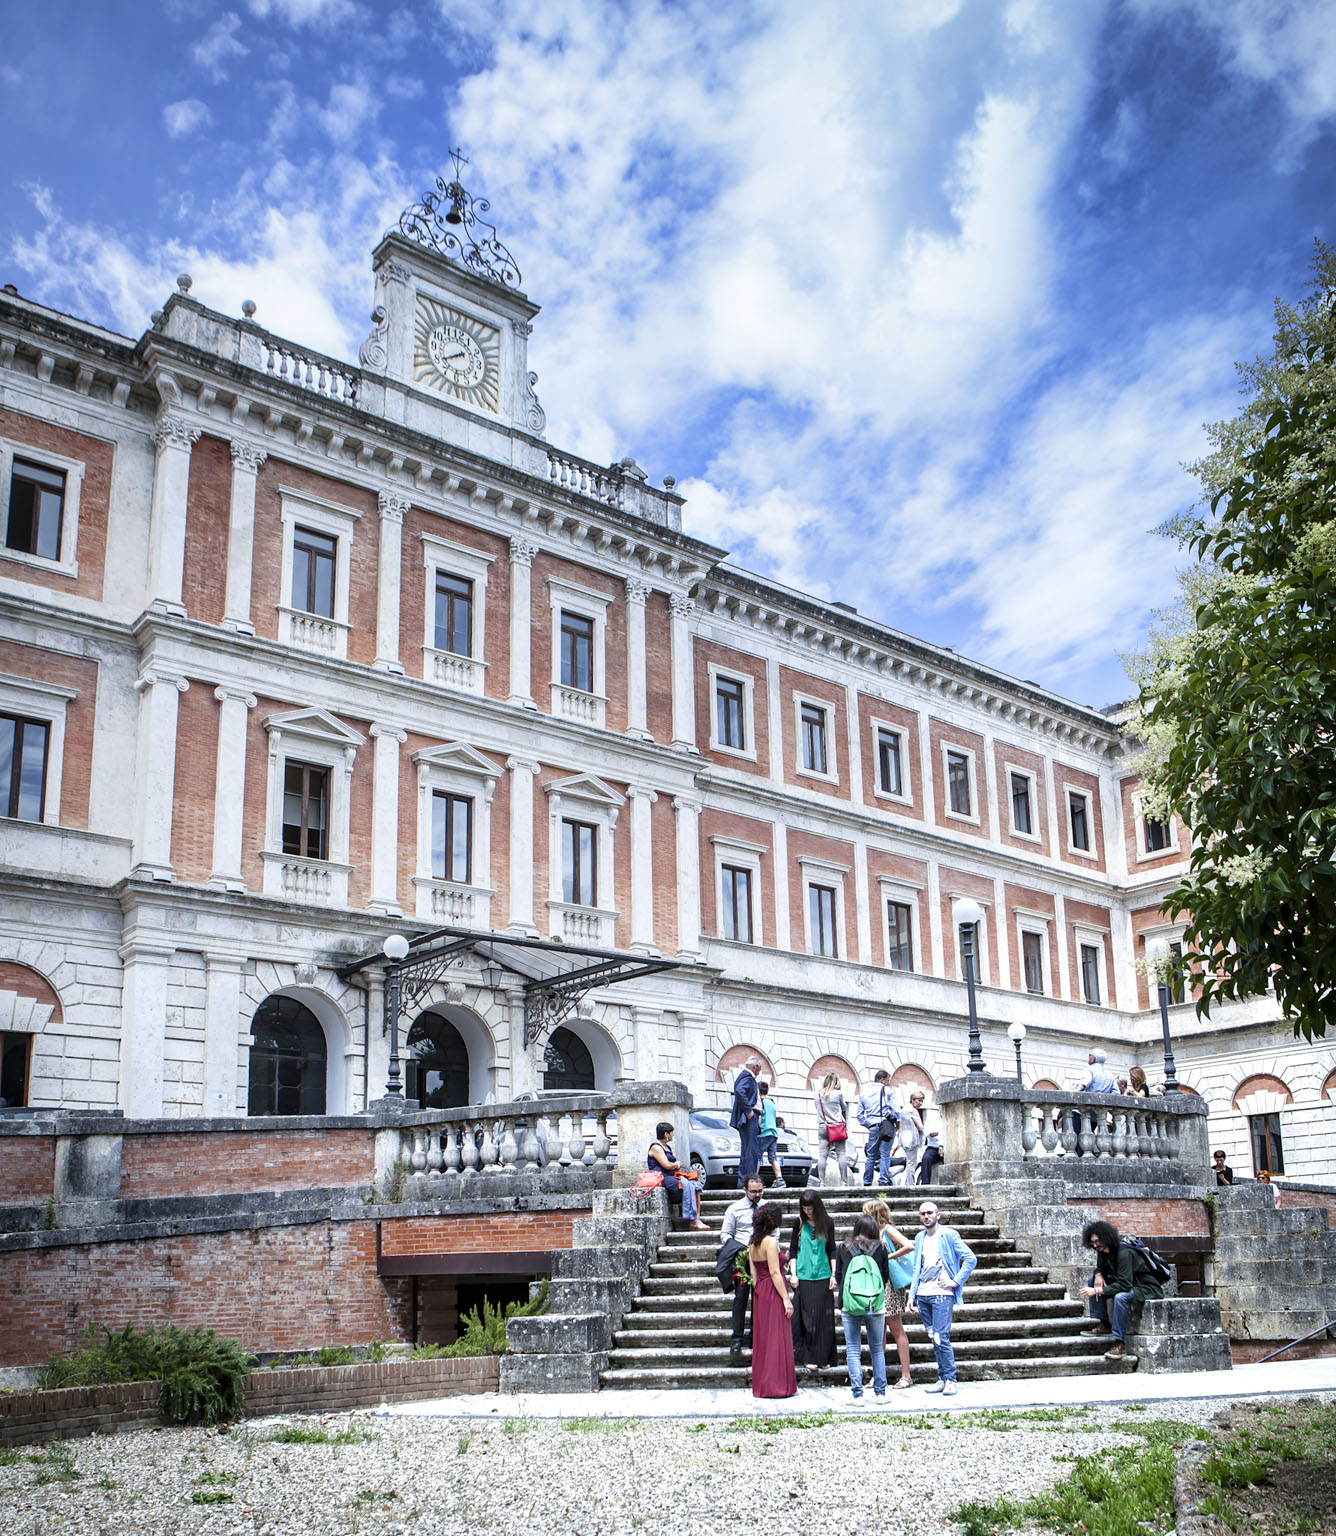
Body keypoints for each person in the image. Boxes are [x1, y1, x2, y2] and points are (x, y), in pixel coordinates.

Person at [906, 1198, 977, 1396]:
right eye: (923, 1213)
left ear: (938, 1215)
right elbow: (917, 1267)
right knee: (933, 1336)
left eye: (929, 1213)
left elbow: (970, 1258)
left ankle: (951, 1378)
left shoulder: (949, 1235)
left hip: (941, 1294)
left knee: (941, 1336)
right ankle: (942, 1377)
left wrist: (955, 1281)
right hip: (923, 1294)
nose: (926, 1216)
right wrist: (912, 1294)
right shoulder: (919, 1237)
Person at [1080, 1218, 1165, 1360]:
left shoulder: (1124, 1253)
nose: (1095, 1245)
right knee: (1092, 1281)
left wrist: (1096, 1291)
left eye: (1097, 1241)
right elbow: (1100, 1268)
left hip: (1145, 1287)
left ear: (1106, 1238)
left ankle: (1119, 1343)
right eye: (1092, 1243)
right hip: (1129, 1284)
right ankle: (1104, 1324)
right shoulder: (1102, 1251)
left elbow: (1125, 1285)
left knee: (1120, 1297)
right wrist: (1098, 1275)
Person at [836, 1213, 890, 1402]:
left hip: (850, 1304)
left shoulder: (844, 1247)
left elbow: (839, 1276)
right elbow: (884, 1276)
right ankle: (880, 1393)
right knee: (877, 1348)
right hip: (874, 1304)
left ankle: (857, 1394)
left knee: (852, 1348)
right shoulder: (881, 1248)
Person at [864, 1197, 915, 1388]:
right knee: (878, 1332)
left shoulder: (887, 1229)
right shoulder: (870, 1233)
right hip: (875, 1283)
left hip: (889, 1284)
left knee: (895, 1328)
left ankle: (906, 1375)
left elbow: (909, 1245)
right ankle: (878, 1375)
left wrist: (888, 1257)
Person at [748, 1201, 797, 1399]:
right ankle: (778, 1385)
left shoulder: (752, 1243)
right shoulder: (770, 1242)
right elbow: (775, 1272)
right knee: (776, 1337)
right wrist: (786, 1299)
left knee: (764, 1338)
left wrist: (759, 1291)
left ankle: (764, 1384)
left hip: (760, 1290)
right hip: (773, 1290)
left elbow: (753, 1274)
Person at [785, 1190, 838, 1373]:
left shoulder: (827, 1222)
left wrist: (834, 1274)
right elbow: (793, 1250)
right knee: (806, 1318)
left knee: (824, 1317)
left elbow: (832, 1249)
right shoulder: (799, 1223)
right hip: (803, 1274)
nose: (808, 1211)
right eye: (805, 1208)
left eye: (810, 1208)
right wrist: (793, 1274)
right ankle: (808, 1356)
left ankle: (823, 1357)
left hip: (823, 1273)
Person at [720, 1175, 766, 1355]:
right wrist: (739, 1248)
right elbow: (725, 1234)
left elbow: (775, 1233)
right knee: (740, 1298)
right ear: (745, 1190)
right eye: (753, 1192)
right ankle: (737, 1339)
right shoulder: (734, 1209)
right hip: (741, 1260)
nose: (757, 1195)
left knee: (759, 1299)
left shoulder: (767, 1207)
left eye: (760, 1191)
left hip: (762, 1259)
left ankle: (756, 1336)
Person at [647, 1121, 708, 1231]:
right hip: (663, 1177)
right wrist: (676, 1164)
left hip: (672, 1175)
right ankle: (694, 1220)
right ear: (666, 1134)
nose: (673, 1135)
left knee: (694, 1185)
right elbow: (666, 1165)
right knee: (687, 1186)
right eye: (671, 1133)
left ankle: (696, 1219)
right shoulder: (656, 1147)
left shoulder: (667, 1147)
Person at [857, 1068, 898, 1187]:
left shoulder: (864, 1093)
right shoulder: (889, 1091)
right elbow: (896, 1110)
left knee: (871, 1155)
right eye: (888, 1080)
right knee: (885, 1154)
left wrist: (868, 1124)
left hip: (873, 1126)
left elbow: (859, 1116)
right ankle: (883, 1181)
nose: (888, 1083)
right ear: (882, 1080)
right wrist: (897, 1125)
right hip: (886, 1125)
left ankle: (867, 1182)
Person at [812, 1071, 850, 1186]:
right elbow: (844, 1108)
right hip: (836, 1127)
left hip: (823, 1126)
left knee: (822, 1155)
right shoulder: (838, 1094)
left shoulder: (817, 1095)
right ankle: (844, 1181)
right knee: (841, 1153)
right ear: (836, 1082)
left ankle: (821, 1181)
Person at [730, 1057, 762, 1186]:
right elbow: (740, 1091)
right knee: (751, 1150)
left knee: (747, 1150)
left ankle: (744, 1181)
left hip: (749, 1117)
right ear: (755, 1067)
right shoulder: (748, 1077)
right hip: (749, 1118)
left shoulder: (744, 1077)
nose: (759, 1072)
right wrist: (749, 1111)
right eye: (759, 1069)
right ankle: (750, 1181)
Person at [895, 1089, 927, 1186]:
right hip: (912, 1139)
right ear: (913, 1099)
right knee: (912, 1163)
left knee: (909, 1162)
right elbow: (920, 1127)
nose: (920, 1103)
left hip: (903, 1138)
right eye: (919, 1100)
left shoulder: (904, 1109)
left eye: (922, 1101)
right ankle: (910, 1184)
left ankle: (905, 1182)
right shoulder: (913, 1111)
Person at [758, 1080, 785, 1188]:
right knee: (773, 1158)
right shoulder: (771, 1103)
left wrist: (757, 1129)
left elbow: (760, 1118)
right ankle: (780, 1179)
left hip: (764, 1133)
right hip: (773, 1133)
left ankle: (754, 1180)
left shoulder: (760, 1102)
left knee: (757, 1157)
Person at [917, 1109, 944, 1186]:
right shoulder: (932, 1118)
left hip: (948, 1147)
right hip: (934, 1147)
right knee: (926, 1158)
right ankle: (925, 1184)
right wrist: (939, 1133)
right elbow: (927, 1132)